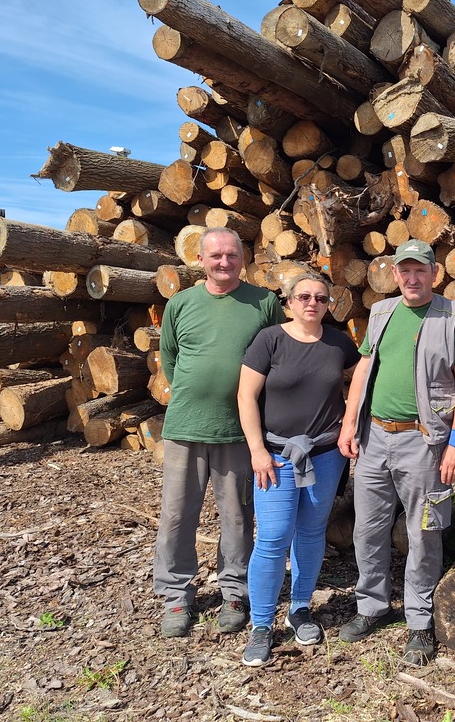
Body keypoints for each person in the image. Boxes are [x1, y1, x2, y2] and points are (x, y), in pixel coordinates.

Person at [337, 239, 455, 666]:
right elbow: (364, 368)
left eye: (420, 270)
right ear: (395, 274)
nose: (412, 278)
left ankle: (419, 621)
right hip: (375, 437)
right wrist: (349, 422)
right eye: (405, 270)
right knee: (368, 529)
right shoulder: (381, 312)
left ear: (435, 273)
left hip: (424, 441)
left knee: (424, 531)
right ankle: (372, 606)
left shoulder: (452, 316)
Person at [154, 227, 285, 638]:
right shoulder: (180, 303)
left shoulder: (263, 302)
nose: (224, 262)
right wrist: (198, 391)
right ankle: (176, 595)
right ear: (200, 260)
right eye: (216, 255)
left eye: (232, 255)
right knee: (177, 515)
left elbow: (277, 354)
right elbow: (170, 358)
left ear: (243, 259)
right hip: (186, 426)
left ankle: (234, 591)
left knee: (238, 516)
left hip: (238, 430)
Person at [236, 271, 360, 666]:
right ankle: (261, 625)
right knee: (273, 537)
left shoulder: (339, 343)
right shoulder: (269, 340)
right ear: (288, 302)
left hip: (325, 455)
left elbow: (362, 374)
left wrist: (349, 422)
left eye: (321, 298)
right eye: (304, 296)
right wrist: (257, 450)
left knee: (310, 532)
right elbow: (245, 396)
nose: (313, 303)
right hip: (275, 456)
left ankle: (300, 608)